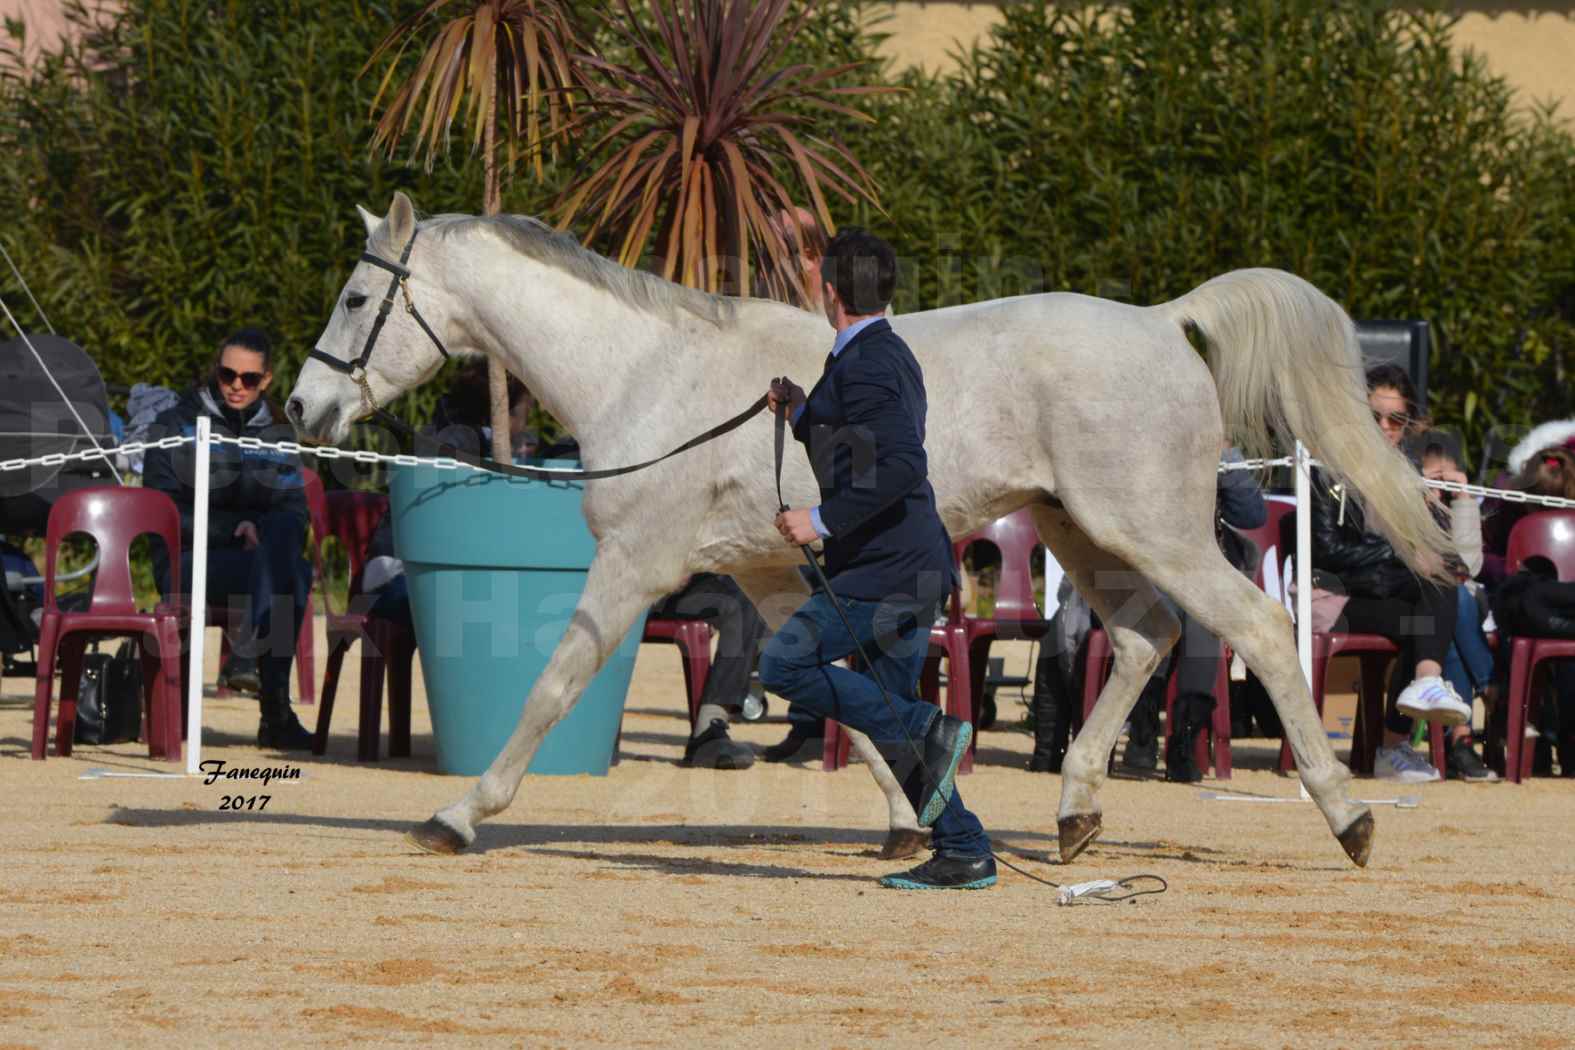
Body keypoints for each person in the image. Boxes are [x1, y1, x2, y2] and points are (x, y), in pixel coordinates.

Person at [758, 227, 995, 890]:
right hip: (902, 564)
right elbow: (856, 447)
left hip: (885, 570)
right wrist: (804, 412)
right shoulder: (872, 353)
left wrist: (818, 519)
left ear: (829, 290)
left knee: (783, 663)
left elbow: (898, 466)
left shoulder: (867, 363)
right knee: (886, 718)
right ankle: (964, 848)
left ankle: (928, 724)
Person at [1309, 364, 1495, 782]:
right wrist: (1406, 553)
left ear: (1410, 424)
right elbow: (1329, 552)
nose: (1385, 427)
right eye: (1374, 416)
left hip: (1389, 593)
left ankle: (1413, 710)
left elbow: (1463, 563)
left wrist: (1458, 500)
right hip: (1334, 596)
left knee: (1434, 603)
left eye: (1396, 419)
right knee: (1433, 600)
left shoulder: (1411, 475)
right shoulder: (1329, 469)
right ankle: (1404, 737)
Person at [143, 328, 315, 749]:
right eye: (228, 374)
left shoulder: (279, 432)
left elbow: (295, 509)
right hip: (187, 559)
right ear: (214, 372)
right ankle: (274, 714)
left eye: (250, 379)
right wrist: (230, 530)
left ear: (267, 380)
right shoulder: (174, 424)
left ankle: (247, 658)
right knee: (291, 573)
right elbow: (158, 509)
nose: (237, 385)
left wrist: (259, 531)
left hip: (256, 560)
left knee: (286, 546)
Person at [1121, 444, 1267, 781]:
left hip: (1200, 571)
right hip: (1144, 568)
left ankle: (1184, 743)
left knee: (1201, 619)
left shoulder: (1217, 451)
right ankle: (1142, 735)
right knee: (1163, 613)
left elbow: (1252, 515)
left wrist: (1227, 461)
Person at [648, 573, 768, 769]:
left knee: (752, 588)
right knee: (741, 597)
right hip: (632, 584)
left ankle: (710, 725)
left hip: (682, 577)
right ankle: (708, 731)